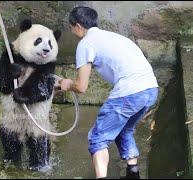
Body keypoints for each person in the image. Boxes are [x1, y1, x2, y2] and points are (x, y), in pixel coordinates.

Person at [59, 6, 159, 179]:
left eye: (71, 27)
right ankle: (133, 174)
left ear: (77, 26)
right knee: (125, 130)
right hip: (150, 89)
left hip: (130, 93)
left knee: (98, 139)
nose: (72, 31)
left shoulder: (85, 44)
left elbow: (81, 87)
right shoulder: (113, 36)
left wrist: (67, 84)